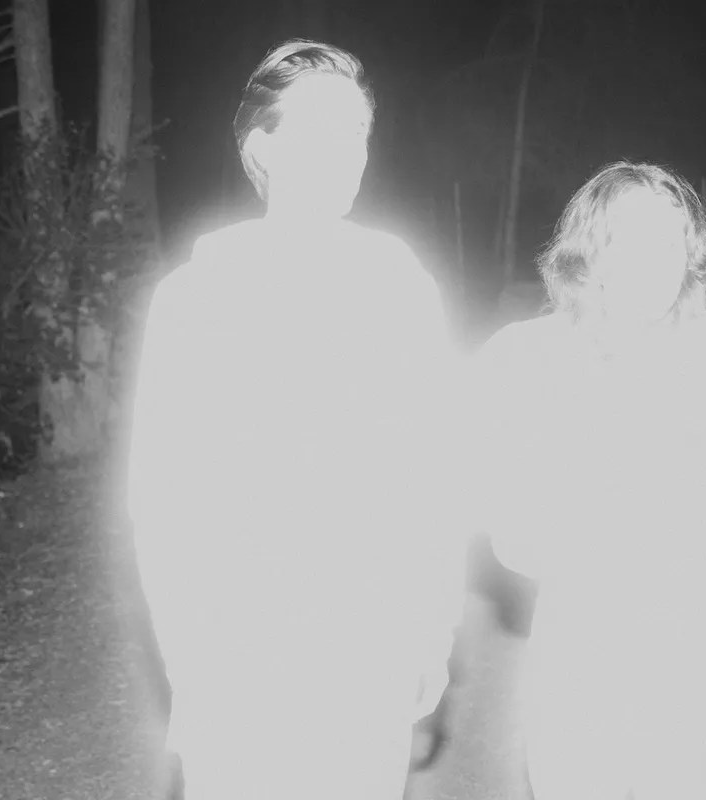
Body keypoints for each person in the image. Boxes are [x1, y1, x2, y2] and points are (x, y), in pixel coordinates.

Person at [126, 39, 466, 800]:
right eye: (323, 128)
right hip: (238, 655)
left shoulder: (400, 287)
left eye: (359, 132)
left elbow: (433, 475)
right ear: (263, 148)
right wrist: (190, 665)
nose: (349, 151)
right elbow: (163, 503)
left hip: (367, 649)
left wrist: (432, 629)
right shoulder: (197, 298)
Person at [468, 161, 706, 800]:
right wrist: (526, 535)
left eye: (673, 240)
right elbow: (469, 462)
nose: (659, 259)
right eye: (635, 238)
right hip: (578, 632)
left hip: (686, 632)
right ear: (592, 251)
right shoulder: (530, 357)